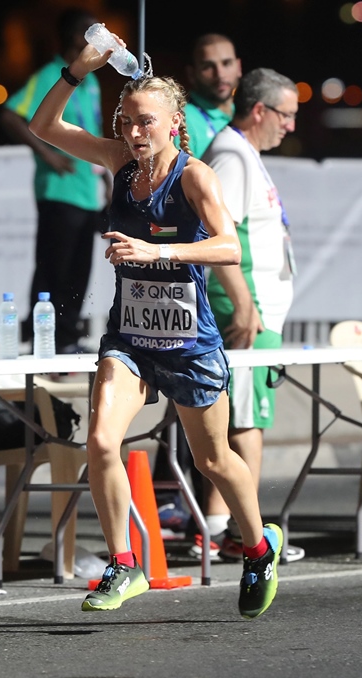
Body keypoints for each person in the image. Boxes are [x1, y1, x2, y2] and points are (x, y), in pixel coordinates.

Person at [28, 32, 283, 619]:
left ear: (174, 124)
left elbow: (226, 250)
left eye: (144, 123)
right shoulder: (119, 161)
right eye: (124, 121)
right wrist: (77, 70)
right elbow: (46, 127)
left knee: (213, 459)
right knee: (99, 441)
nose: (132, 132)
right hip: (131, 338)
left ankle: (258, 546)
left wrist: (155, 253)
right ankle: (123, 563)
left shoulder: (194, 177)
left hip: (189, 341)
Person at [201, 67, 305, 563]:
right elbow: (217, 234)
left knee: (244, 418)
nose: (290, 126)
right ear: (259, 110)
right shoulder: (231, 156)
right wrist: (243, 304)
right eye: (285, 115)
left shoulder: (245, 155)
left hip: (258, 309)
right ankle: (241, 533)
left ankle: (230, 527)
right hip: (249, 312)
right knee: (246, 423)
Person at [154, 33, 243, 558]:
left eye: (227, 63)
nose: (219, 73)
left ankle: (242, 532)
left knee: (215, 439)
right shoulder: (207, 136)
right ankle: (206, 520)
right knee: (196, 430)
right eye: (207, 66)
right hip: (180, 296)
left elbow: (227, 237)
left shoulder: (228, 139)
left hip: (201, 297)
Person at [0, 7, 110, 354]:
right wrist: (47, 154)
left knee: (79, 269)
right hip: (58, 189)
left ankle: (68, 338)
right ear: (74, 37)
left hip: (86, 190)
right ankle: (44, 341)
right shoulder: (53, 73)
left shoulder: (91, 80)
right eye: (90, 33)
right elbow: (11, 114)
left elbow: (90, 132)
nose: (98, 39)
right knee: (54, 268)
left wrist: (104, 175)